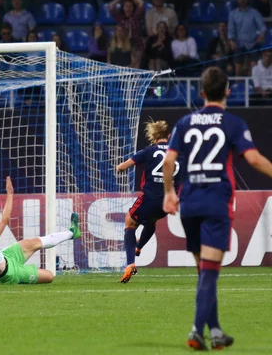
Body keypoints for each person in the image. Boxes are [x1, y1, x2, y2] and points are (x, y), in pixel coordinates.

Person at [162, 66, 272, 350]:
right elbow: (255, 159)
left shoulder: (184, 123)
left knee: (204, 274)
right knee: (210, 273)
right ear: (227, 91)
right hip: (216, 203)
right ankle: (197, 331)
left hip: (189, 204)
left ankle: (217, 331)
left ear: (201, 93)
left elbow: (169, 161)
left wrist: (169, 193)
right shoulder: (233, 123)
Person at [0, 159, 80, 284]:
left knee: (35, 242)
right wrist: (10, 193)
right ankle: (17, 279)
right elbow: (5, 219)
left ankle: (72, 232)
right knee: (49, 276)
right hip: (10, 272)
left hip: (6, 256)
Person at [116, 120, 179, 283]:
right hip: (167, 202)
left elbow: (124, 166)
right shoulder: (177, 153)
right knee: (151, 221)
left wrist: (118, 168)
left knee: (129, 223)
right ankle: (138, 246)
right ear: (169, 135)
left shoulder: (149, 151)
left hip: (149, 198)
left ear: (153, 136)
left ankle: (130, 264)